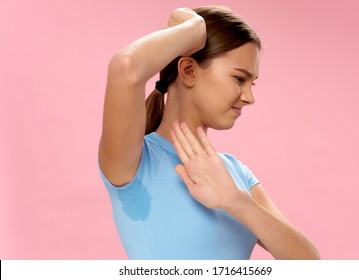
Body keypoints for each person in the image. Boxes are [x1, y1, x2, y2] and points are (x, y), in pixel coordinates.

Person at [98, 6, 320, 260]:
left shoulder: (235, 173)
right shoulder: (136, 162)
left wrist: (236, 201)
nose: (249, 97)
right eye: (239, 79)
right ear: (188, 71)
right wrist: (194, 27)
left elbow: (311, 263)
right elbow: (125, 67)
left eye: (252, 83)